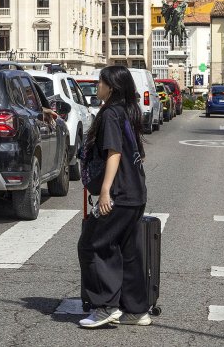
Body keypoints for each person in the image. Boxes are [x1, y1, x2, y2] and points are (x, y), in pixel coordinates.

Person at [77, 65, 150, 329]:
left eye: (100, 83)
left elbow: (114, 153)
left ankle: (105, 306)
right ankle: (136, 309)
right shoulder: (129, 112)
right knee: (127, 251)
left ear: (112, 87)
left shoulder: (109, 114)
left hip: (119, 193)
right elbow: (138, 154)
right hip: (135, 192)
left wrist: (106, 190)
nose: (97, 87)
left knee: (93, 244)